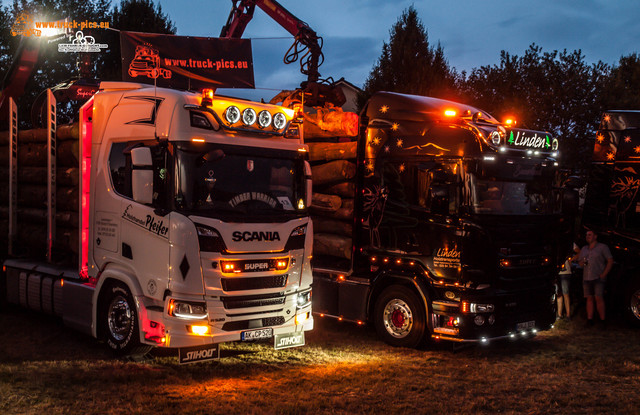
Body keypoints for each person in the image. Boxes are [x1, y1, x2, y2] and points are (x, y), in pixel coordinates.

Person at [577, 230, 614, 327]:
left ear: (595, 236)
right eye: (586, 235)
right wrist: (582, 263)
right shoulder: (584, 249)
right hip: (587, 277)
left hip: (598, 276)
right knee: (589, 298)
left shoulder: (602, 247)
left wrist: (604, 273)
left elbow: (610, 260)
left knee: (598, 297)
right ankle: (590, 319)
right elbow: (580, 263)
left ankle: (602, 320)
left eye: (589, 235)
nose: (587, 236)